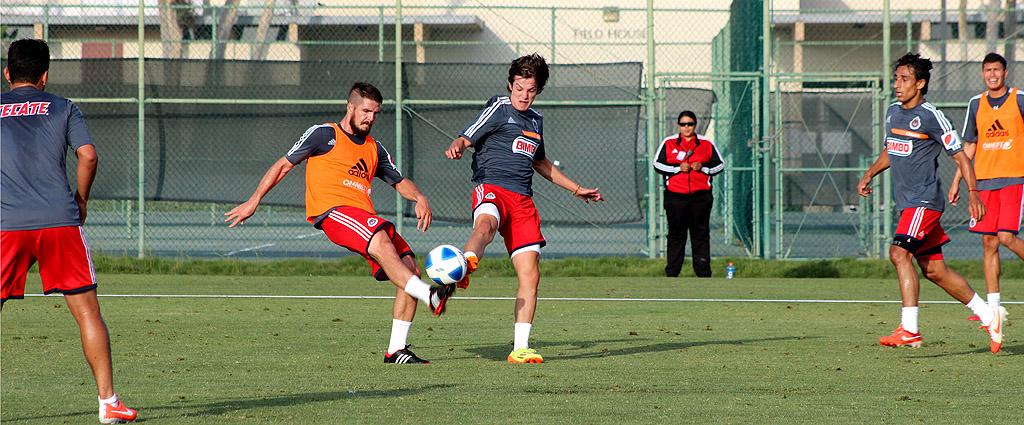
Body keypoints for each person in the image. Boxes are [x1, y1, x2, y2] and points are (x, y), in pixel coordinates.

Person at [225, 82, 454, 364]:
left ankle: (396, 350)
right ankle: (429, 295)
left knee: (410, 267)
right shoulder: (324, 134)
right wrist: (254, 200)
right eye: (366, 111)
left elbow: (399, 181)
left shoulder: (375, 149)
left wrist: (419, 197)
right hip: (333, 212)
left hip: (363, 217)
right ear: (350, 107)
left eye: (375, 113)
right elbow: (283, 165)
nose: (370, 118)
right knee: (382, 240)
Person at [1, 39, 139, 424]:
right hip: (59, 221)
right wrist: (82, 199)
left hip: (5, 225)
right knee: (86, 311)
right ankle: (108, 402)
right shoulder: (64, 107)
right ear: (45, 76)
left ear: (7, 73)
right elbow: (88, 155)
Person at [444, 54, 603, 364]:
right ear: (510, 85)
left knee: (531, 274)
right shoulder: (499, 107)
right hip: (492, 187)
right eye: (519, 88)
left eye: (530, 90)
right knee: (486, 226)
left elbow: (541, 163)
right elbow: (467, 136)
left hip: (522, 201)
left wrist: (577, 189)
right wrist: (458, 145)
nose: (523, 95)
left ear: (538, 90)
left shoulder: (536, 121)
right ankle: (464, 263)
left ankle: (520, 348)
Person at [857, 52, 1002, 353]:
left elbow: (961, 157)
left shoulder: (931, 116)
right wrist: (869, 174)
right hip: (908, 204)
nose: (897, 84)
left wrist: (973, 192)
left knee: (899, 253)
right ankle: (990, 315)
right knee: (934, 270)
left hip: (924, 202)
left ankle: (910, 329)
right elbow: (891, 150)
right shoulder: (893, 113)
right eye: (896, 78)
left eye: (904, 79)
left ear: (920, 83)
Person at [948, 52, 1021, 326]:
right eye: (988, 70)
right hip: (984, 183)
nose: (992, 75)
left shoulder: (1019, 99)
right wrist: (957, 180)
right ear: (983, 73)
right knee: (989, 242)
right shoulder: (976, 103)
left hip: (1014, 180)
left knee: (1006, 237)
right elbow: (969, 146)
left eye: (997, 70)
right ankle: (994, 310)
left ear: (1005, 72)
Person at [653, 110, 724, 278]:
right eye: (683, 124)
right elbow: (657, 164)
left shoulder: (706, 143)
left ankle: (703, 273)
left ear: (695, 125)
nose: (687, 127)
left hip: (701, 197)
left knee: (700, 234)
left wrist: (703, 168)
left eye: (690, 124)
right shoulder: (669, 143)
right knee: (676, 235)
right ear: (679, 125)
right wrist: (677, 168)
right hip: (675, 197)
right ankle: (672, 273)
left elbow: (720, 165)